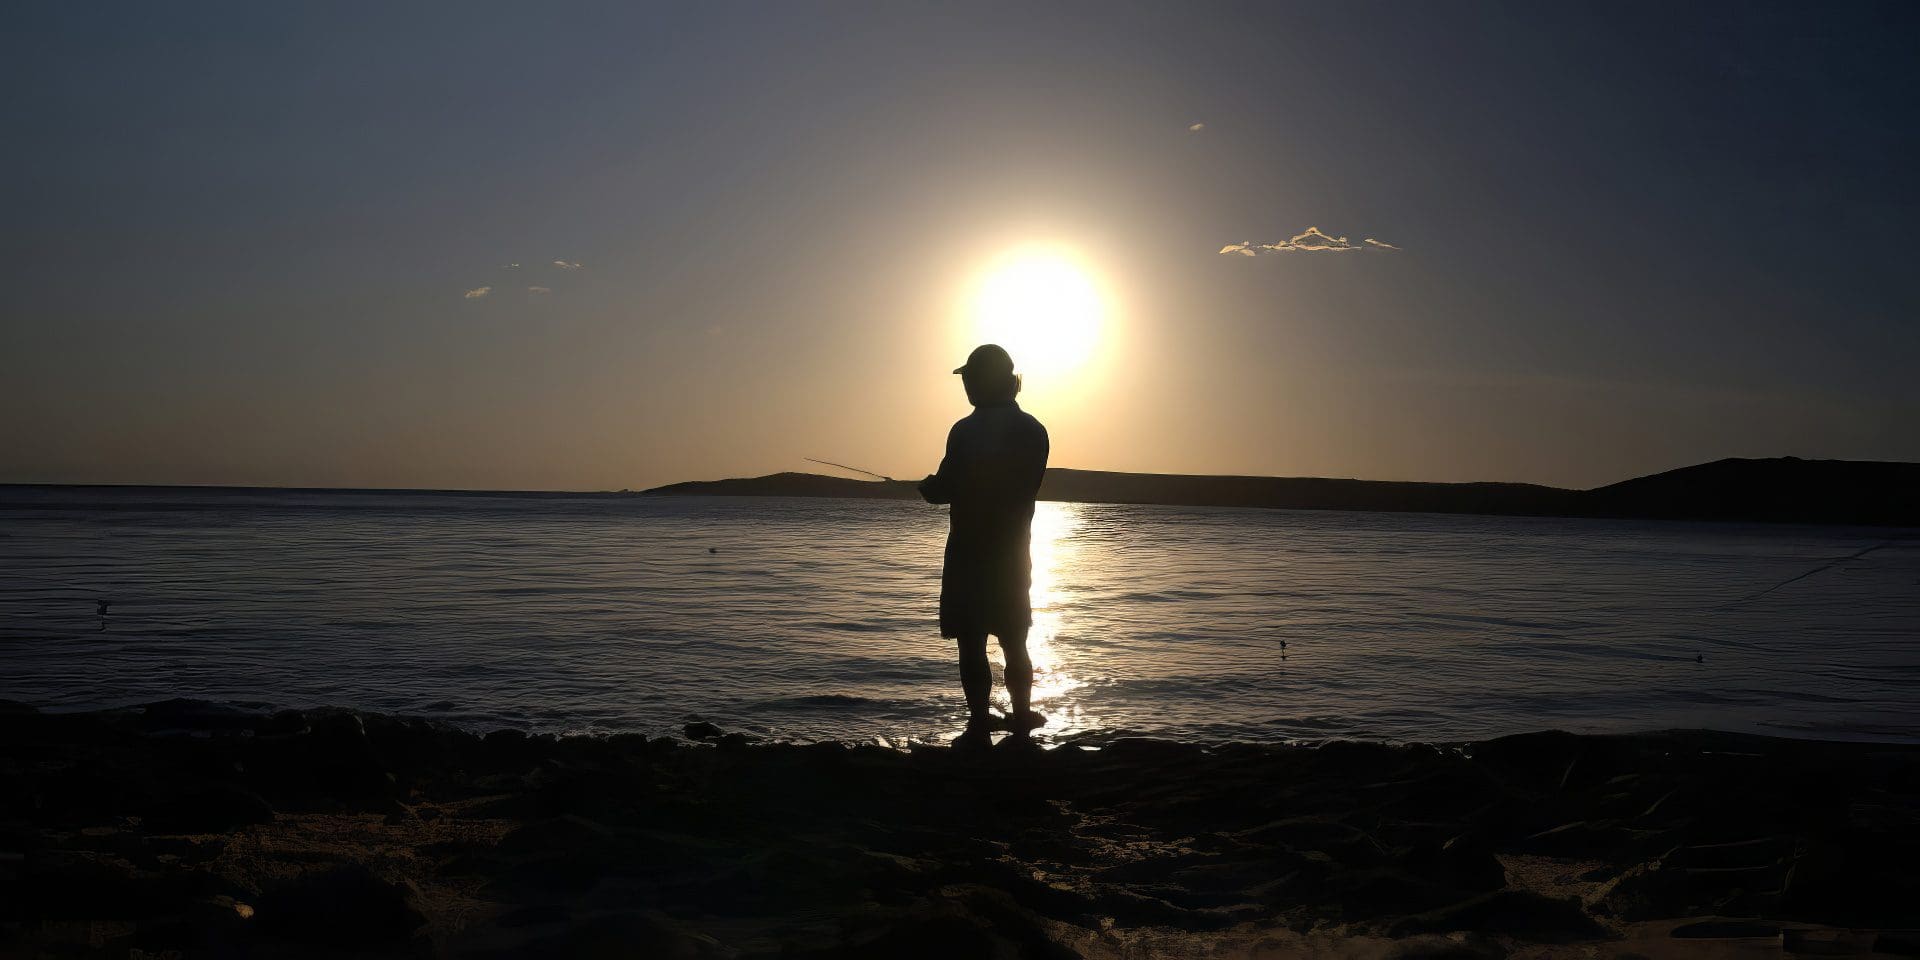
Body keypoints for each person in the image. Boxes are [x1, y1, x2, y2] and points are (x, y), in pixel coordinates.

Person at [919, 344, 1050, 741]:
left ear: (987, 380)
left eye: (971, 378)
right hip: (1013, 553)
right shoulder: (1033, 430)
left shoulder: (964, 431)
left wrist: (929, 488)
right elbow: (1024, 486)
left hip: (968, 554)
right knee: (1015, 640)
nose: (967, 386)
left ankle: (978, 723)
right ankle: (1021, 719)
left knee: (971, 642)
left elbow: (945, 488)